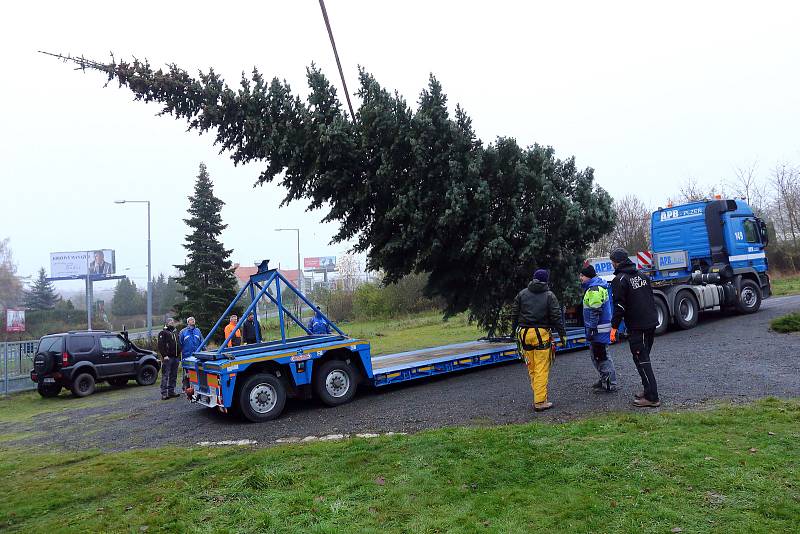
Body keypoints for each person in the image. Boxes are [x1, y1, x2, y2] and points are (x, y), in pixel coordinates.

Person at [609, 248, 661, 407]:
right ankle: (647, 389)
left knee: (642, 359)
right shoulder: (642, 276)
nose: (612, 264)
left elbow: (619, 306)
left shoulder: (620, 279)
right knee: (640, 358)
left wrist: (614, 328)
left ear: (616, 262)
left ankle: (653, 398)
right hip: (650, 323)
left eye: (612, 262)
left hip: (638, 326)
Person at [510, 269, 567, 412]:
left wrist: (513, 331)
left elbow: (514, 314)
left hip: (524, 334)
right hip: (541, 334)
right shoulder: (549, 296)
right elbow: (556, 317)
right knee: (541, 368)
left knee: (532, 368)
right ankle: (540, 401)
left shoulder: (522, 294)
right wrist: (562, 335)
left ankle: (539, 395)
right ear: (546, 281)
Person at [580, 264, 618, 393]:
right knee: (598, 356)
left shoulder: (594, 289)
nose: (580, 278)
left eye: (582, 275)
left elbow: (594, 312)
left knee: (601, 357)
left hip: (597, 331)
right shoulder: (595, 287)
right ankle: (604, 380)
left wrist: (591, 328)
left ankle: (609, 384)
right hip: (599, 330)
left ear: (588, 276)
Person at [157, 318, 181, 400]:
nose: (172, 323)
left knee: (173, 375)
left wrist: (179, 353)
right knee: (165, 375)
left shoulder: (175, 332)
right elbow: (160, 345)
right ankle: (164, 393)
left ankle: (171, 392)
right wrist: (164, 355)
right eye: (170, 322)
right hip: (168, 358)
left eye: (173, 322)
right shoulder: (163, 333)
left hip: (176, 357)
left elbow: (178, 343)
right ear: (167, 323)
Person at [179, 316, 202, 392]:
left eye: (193, 320)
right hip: (187, 356)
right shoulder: (183, 332)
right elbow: (180, 343)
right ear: (188, 322)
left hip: (197, 355)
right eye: (191, 320)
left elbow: (202, 341)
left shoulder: (198, 331)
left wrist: (205, 350)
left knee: (197, 371)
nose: (193, 321)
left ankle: (197, 387)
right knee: (187, 373)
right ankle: (185, 387)